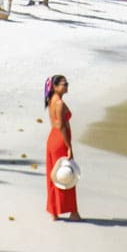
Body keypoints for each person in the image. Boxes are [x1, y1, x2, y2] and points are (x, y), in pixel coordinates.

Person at [44, 75, 81, 221]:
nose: (66, 86)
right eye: (64, 84)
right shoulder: (58, 102)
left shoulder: (52, 100)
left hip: (53, 139)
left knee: (54, 176)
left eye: (67, 83)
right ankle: (73, 212)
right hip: (59, 140)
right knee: (67, 174)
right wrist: (69, 146)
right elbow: (61, 126)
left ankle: (54, 212)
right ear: (55, 86)